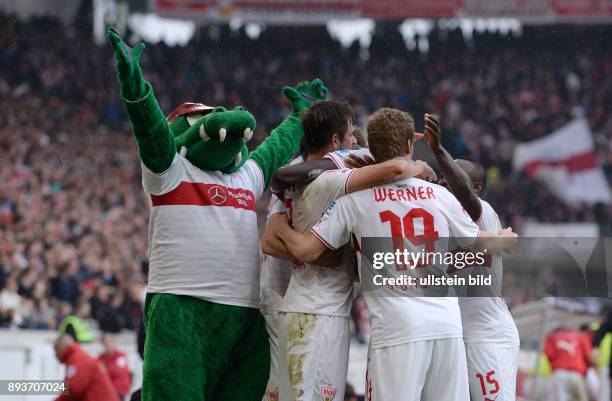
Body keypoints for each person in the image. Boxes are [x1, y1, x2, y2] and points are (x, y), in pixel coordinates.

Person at [107, 27, 327, 401]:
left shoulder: (244, 176)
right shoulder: (169, 172)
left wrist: (302, 115)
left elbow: (275, 148)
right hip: (181, 310)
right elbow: (150, 131)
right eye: (200, 119)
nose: (215, 121)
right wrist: (135, 86)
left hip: (242, 318)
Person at [268, 108, 517, 401]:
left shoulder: (353, 201)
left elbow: (306, 250)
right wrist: (503, 238)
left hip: (398, 328)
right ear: (410, 145)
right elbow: (479, 241)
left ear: (369, 147)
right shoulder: (439, 195)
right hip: (447, 326)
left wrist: (279, 224)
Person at [261, 101, 435, 401]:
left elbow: (274, 233)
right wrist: (414, 160)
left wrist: (327, 254)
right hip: (315, 311)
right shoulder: (333, 176)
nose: (355, 141)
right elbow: (396, 167)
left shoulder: (303, 176)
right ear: (335, 142)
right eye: (351, 134)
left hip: (315, 307)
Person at [423, 113, 520, 401]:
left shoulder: (482, 212)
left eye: (450, 177)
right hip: (455, 337)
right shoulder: (440, 225)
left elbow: (465, 196)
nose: (442, 182)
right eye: (440, 178)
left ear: (475, 188)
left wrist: (439, 152)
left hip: (487, 337)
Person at [53, 334, 120, 401]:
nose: (55, 355)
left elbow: (73, 390)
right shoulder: (78, 357)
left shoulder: (77, 359)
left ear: (61, 347)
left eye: (56, 350)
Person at [544, 326, 591, 401]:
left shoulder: (553, 336)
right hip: (577, 373)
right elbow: (588, 356)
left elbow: (549, 355)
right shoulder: (581, 337)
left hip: (559, 372)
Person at [98, 333, 132, 400]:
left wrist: (105, 370)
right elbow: (96, 373)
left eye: (110, 342)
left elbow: (118, 372)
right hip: (105, 388)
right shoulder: (101, 357)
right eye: (106, 342)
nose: (108, 344)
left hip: (119, 388)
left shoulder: (121, 356)